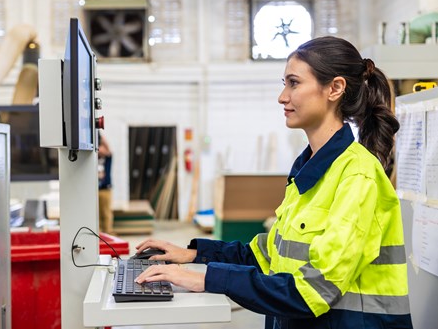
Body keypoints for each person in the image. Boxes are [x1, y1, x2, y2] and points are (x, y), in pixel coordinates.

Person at [135, 36, 413, 329]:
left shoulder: (358, 176)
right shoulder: (310, 172)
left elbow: (313, 291)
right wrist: (192, 254)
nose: (282, 96)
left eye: (294, 83)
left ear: (335, 88)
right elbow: (267, 256)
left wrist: (205, 278)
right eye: (285, 83)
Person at [98, 134, 113, 234]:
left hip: (105, 189)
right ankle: (98, 232)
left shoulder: (107, 159)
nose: (101, 150)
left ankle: (108, 231)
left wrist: (99, 134)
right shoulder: (93, 159)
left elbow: (108, 149)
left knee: (106, 212)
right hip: (95, 189)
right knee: (96, 213)